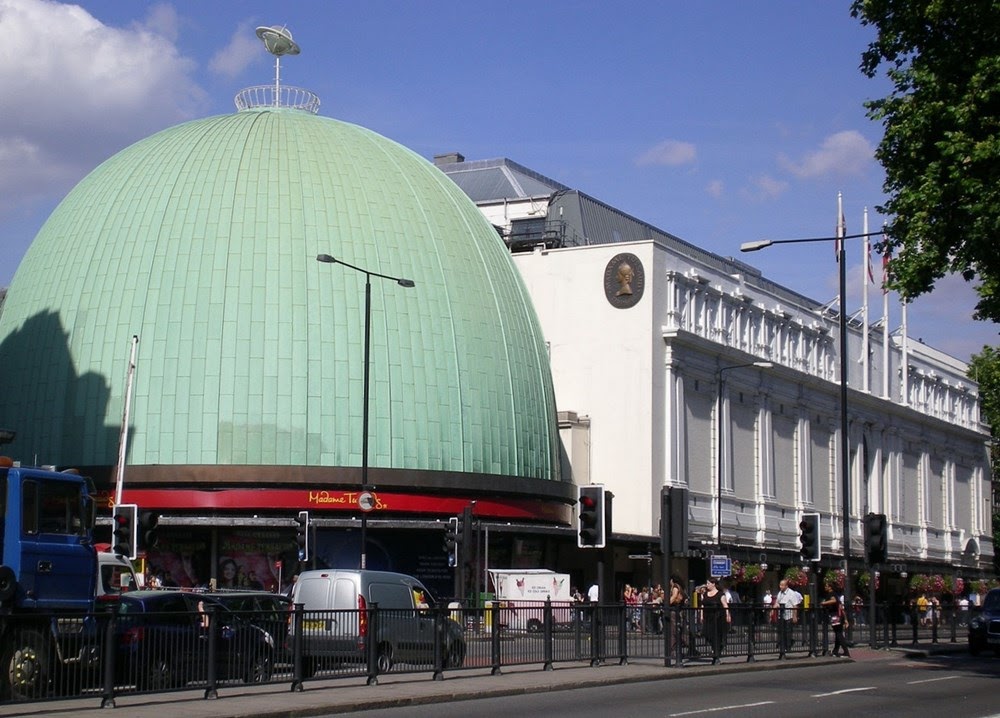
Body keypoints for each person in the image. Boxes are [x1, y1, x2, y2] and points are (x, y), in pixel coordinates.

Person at [698, 577, 730, 664]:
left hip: (717, 617)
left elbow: (725, 605)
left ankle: (716, 653)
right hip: (707, 617)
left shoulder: (720, 594)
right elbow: (702, 606)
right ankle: (715, 649)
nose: (707, 585)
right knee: (707, 634)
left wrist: (727, 615)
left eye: (708, 583)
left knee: (716, 635)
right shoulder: (705, 594)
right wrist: (701, 615)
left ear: (713, 584)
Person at [774, 579, 802, 654]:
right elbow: (777, 602)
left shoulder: (791, 593)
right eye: (780, 585)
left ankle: (788, 646)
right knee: (781, 631)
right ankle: (783, 646)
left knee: (788, 631)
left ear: (786, 586)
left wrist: (795, 616)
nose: (781, 586)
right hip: (782, 615)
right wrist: (772, 610)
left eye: (782, 585)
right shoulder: (780, 593)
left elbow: (795, 605)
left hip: (789, 615)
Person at [821, 588, 850, 657]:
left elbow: (834, 600)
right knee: (838, 633)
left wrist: (824, 603)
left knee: (838, 633)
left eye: (827, 585)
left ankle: (846, 652)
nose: (825, 587)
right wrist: (845, 619)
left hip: (835, 616)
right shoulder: (836, 595)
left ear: (830, 587)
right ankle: (835, 651)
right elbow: (841, 607)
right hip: (839, 616)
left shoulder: (832, 594)